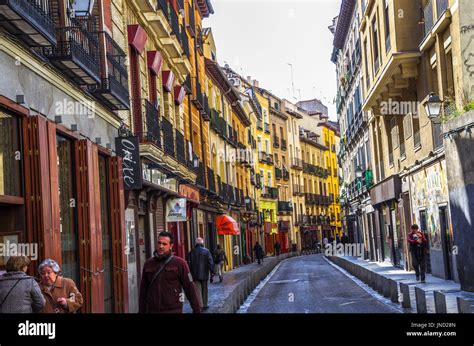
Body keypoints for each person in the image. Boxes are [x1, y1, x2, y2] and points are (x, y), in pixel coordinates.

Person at [139, 231, 201, 313]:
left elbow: (190, 289)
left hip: (173, 310)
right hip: (152, 310)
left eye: (164, 244)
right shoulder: (148, 264)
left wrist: (196, 310)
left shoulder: (180, 264)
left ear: (171, 246)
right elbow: (143, 291)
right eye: (159, 243)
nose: (161, 246)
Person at [188, 238, 214, 311]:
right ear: (202, 243)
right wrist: (212, 272)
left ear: (196, 244)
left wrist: (189, 275)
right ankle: (205, 304)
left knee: (198, 290)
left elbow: (188, 264)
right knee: (205, 289)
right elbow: (210, 263)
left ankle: (200, 305)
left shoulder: (191, 252)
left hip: (195, 275)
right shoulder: (207, 251)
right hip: (205, 274)